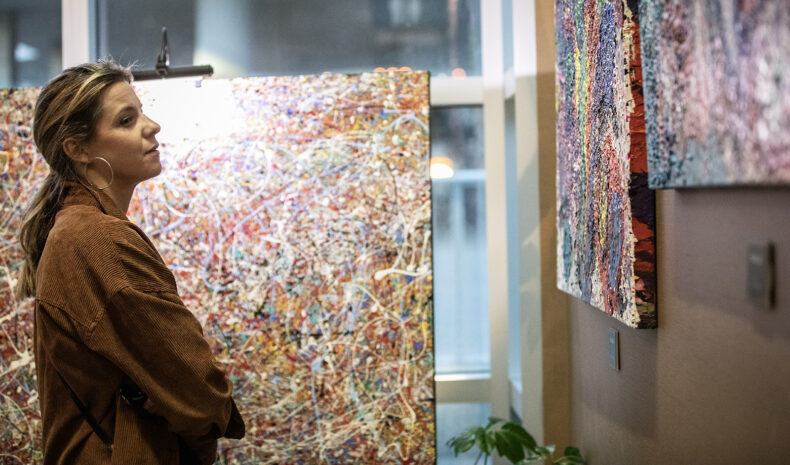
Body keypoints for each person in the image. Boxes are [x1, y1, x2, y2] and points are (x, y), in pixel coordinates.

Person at [17, 61, 245, 464]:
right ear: (78, 148)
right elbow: (200, 392)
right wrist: (208, 414)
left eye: (141, 111)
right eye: (126, 119)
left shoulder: (77, 229)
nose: (152, 125)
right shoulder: (97, 239)